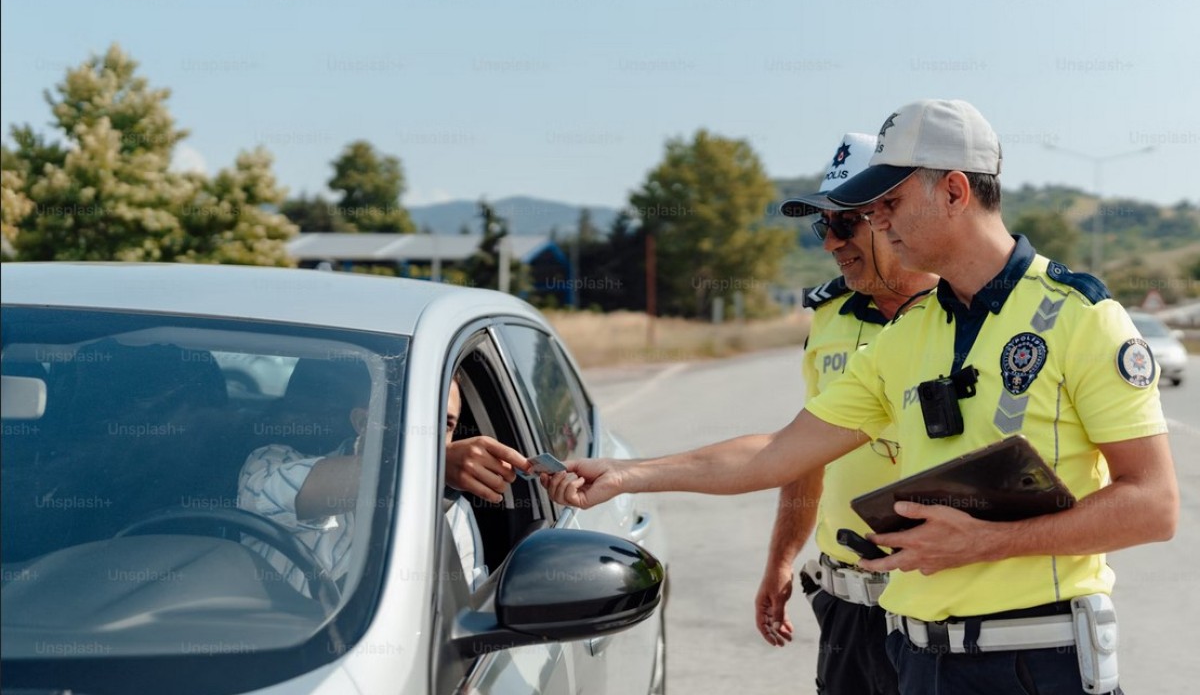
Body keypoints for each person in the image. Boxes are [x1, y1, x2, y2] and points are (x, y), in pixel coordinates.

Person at [546, 100, 1178, 695]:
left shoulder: (1080, 317)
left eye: (890, 203)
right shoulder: (910, 333)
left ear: (955, 191)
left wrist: (986, 543)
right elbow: (776, 452)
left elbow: (1153, 505)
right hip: (912, 660)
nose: (877, 223)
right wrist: (628, 474)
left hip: (1033, 660)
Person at [761, 133, 937, 695]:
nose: (830, 243)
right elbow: (806, 451)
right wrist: (783, 557)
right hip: (848, 610)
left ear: (894, 216)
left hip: (942, 603)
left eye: (845, 223)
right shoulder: (829, 316)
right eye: (824, 227)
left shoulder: (968, 311)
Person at [239, 367, 528, 595]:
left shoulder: (450, 512)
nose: (433, 436)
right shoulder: (271, 461)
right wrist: (427, 461)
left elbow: (467, 619)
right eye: (414, 417)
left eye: (447, 425)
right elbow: (272, 494)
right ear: (362, 423)